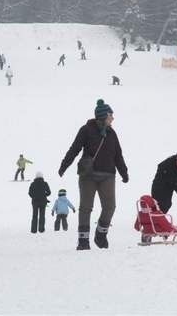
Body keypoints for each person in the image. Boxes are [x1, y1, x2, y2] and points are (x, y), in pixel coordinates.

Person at [58, 99, 129, 250]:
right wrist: (64, 166)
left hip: (108, 175)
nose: (113, 118)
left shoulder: (112, 133)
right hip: (88, 175)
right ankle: (83, 241)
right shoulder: (86, 130)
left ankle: (101, 235)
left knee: (110, 207)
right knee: (85, 207)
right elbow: (74, 149)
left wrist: (124, 172)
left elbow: (118, 155)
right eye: (111, 115)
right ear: (103, 116)